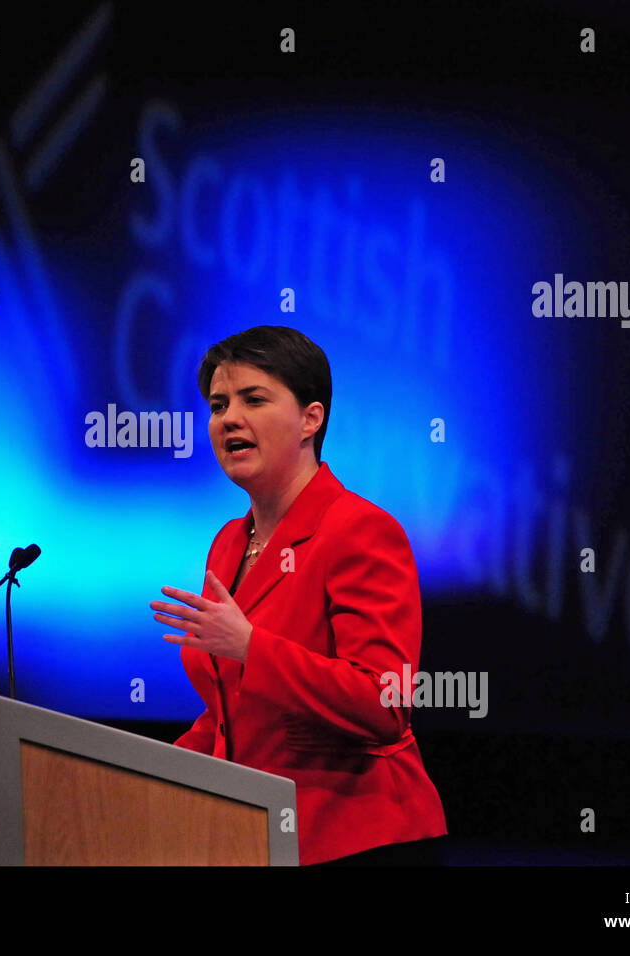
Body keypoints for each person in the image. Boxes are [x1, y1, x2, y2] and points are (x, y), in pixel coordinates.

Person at [150, 325, 447, 866]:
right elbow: (233, 719)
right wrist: (142, 773)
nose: (229, 418)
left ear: (311, 418)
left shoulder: (360, 530)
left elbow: (386, 703)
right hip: (252, 838)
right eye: (218, 405)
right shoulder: (228, 544)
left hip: (357, 839)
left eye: (253, 399)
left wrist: (252, 647)